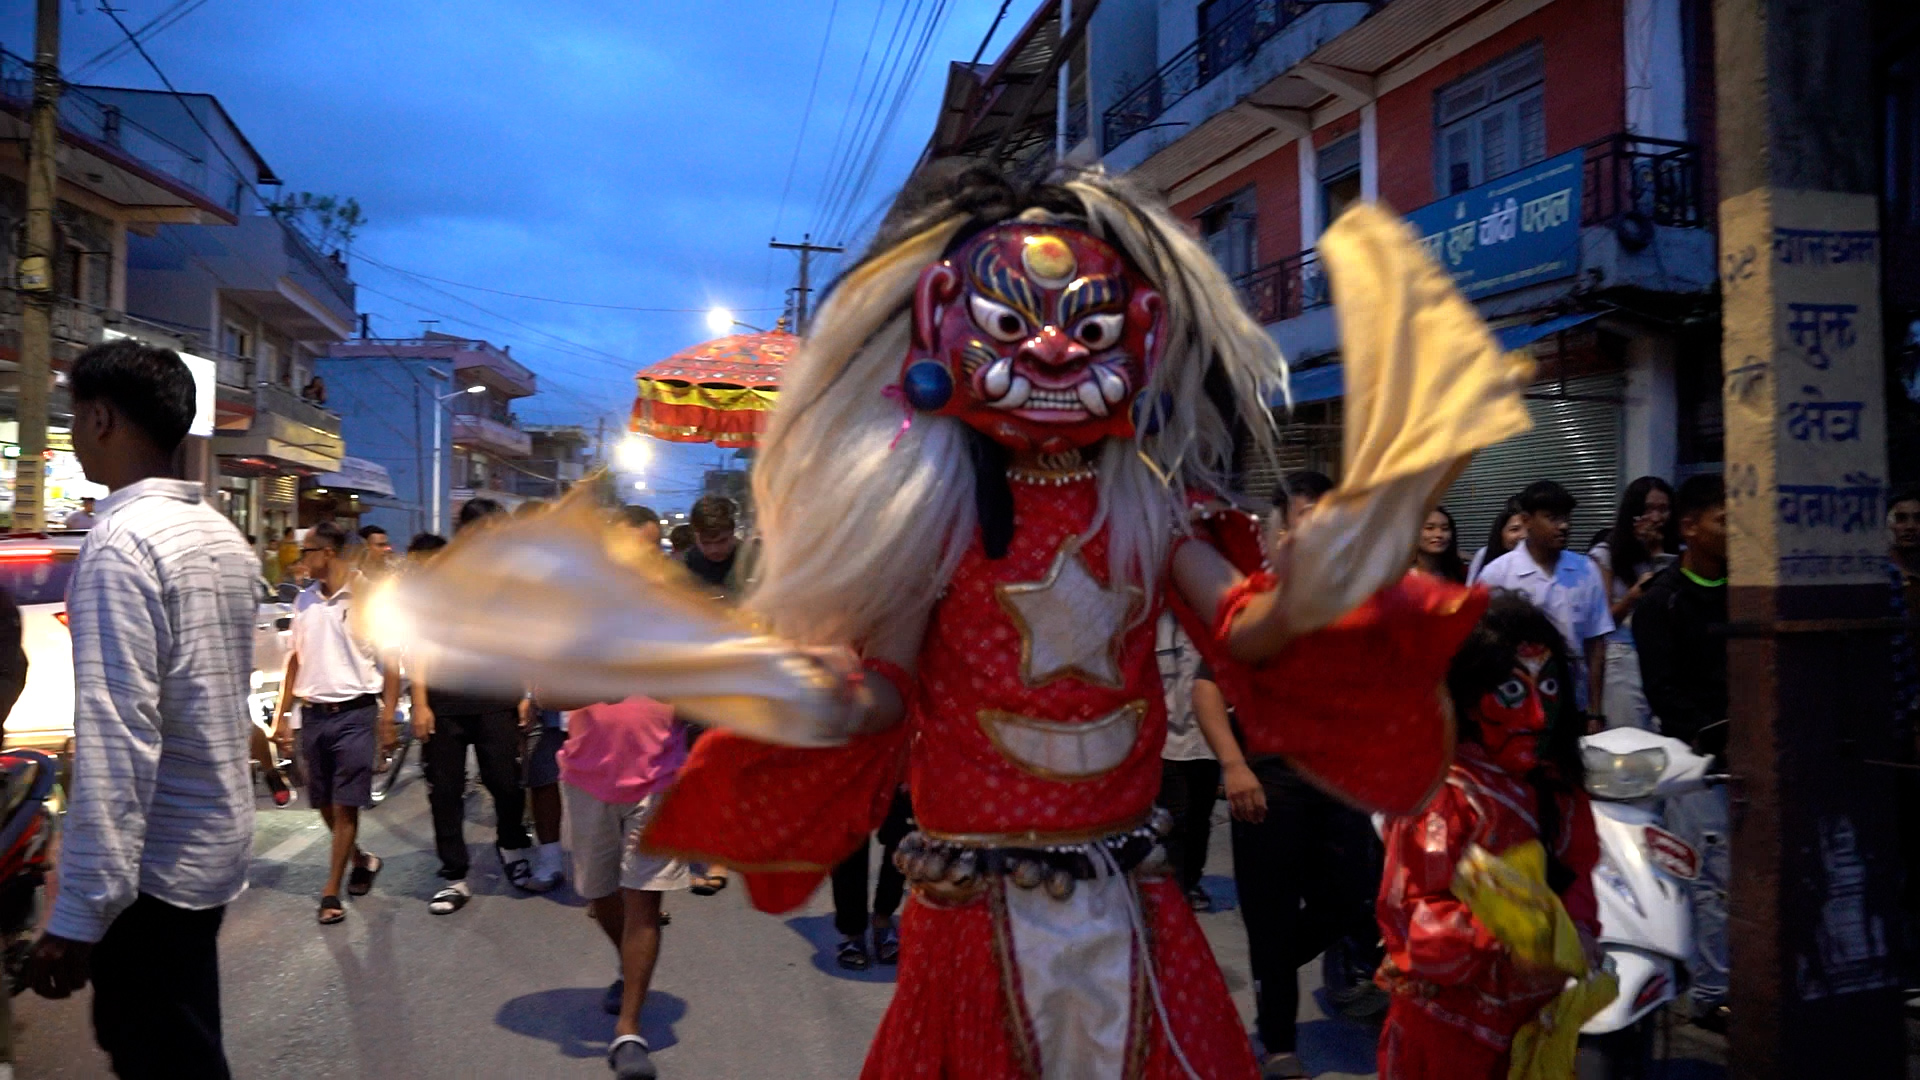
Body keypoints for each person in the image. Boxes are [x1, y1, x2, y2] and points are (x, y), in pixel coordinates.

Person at [642, 170, 1517, 1077]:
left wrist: (1320, 580)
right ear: (944, 317)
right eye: (1015, 325)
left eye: (1090, 328)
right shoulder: (932, 515)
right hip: (975, 901)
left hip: (1128, 893)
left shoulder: (1148, 508)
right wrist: (813, 694)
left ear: (1140, 334)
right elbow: (886, 691)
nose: (1056, 352)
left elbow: (1241, 626)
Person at [27, 340, 257, 1077]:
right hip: (209, 847)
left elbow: (120, 739)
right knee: (186, 1043)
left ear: (100, 418)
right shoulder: (221, 535)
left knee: (163, 1057)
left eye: (72, 417)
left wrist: (79, 913)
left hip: (153, 872)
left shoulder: (121, 545)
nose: (71, 435)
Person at [1376, 594, 1603, 1078]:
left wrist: (1576, 931)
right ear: (1464, 692)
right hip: (1448, 1035)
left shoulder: (1558, 786)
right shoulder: (1443, 796)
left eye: (1548, 687)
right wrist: (1510, 935)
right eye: (1513, 692)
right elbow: (1414, 924)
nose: (1539, 716)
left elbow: (1579, 868)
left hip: (1530, 1026)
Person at [413, 497, 544, 913]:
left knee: (506, 783)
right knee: (445, 792)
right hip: (444, 702)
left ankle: (512, 848)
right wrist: (419, 702)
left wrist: (527, 691)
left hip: (496, 697)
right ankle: (454, 875)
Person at [1633, 474, 1729, 1030]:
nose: (1735, 530)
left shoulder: (1749, 588)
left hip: (1756, 756)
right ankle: (1710, 992)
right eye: (1723, 519)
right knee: (1710, 877)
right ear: (1690, 527)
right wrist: (1715, 733)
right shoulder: (1662, 602)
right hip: (1696, 760)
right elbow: (1664, 692)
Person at [271, 521, 400, 925]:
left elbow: (392, 660)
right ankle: (361, 859)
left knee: (345, 805)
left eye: (306, 552)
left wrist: (388, 717)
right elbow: (295, 658)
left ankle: (330, 892)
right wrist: (281, 715)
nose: (300, 560)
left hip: (356, 713)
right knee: (324, 802)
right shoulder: (304, 601)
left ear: (327, 553)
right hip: (314, 715)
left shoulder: (367, 597)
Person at [559, 695, 691, 1080]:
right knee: (598, 894)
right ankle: (629, 965)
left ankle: (628, 1031)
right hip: (586, 779)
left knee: (644, 902)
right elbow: (549, 693)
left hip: (660, 779)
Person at [1475, 480, 1614, 718]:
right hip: (1515, 695)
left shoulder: (1585, 570)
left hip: (1572, 697)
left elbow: (1596, 646)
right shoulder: (1498, 573)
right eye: (1552, 518)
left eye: (1566, 518)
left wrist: (1595, 711)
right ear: (1527, 521)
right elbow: (1480, 642)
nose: (1563, 526)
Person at [1590, 476, 1677, 731]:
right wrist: (1631, 597)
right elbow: (1601, 621)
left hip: (1665, 656)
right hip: (1623, 655)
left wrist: (1657, 553)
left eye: (1663, 509)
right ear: (1633, 512)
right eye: (1649, 509)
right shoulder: (1607, 554)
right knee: (1630, 739)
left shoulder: (1675, 552)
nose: (1657, 517)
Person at [1154, 611, 1219, 911]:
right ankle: (1176, 888)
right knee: (1174, 818)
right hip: (1166, 742)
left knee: (1200, 817)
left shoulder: (1212, 622)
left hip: (1209, 741)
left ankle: (1190, 881)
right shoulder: (1157, 622)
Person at [829, 789, 915, 970]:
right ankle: (853, 931)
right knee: (848, 826)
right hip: (850, 762)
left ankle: (883, 918)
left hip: (899, 762)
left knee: (901, 828)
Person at [1465, 497, 1525, 584]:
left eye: (1528, 530)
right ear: (1501, 532)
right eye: (1514, 529)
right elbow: (1470, 588)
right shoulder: (1484, 554)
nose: (1524, 535)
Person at [1413, 505, 1467, 583]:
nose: (1439, 534)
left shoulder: (1461, 574)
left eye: (1445, 529)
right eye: (1429, 528)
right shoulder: (1397, 577)